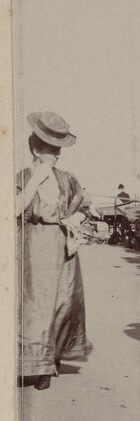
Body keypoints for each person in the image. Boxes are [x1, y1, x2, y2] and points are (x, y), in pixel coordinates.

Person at [16, 111, 93, 391]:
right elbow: (12, 209)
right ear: (35, 148)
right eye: (51, 149)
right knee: (33, 305)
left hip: (61, 244)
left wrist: (76, 220)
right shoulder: (23, 177)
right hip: (32, 242)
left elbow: (84, 207)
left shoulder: (67, 179)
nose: (56, 155)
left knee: (62, 303)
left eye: (58, 149)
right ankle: (32, 364)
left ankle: (50, 365)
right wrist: (36, 180)